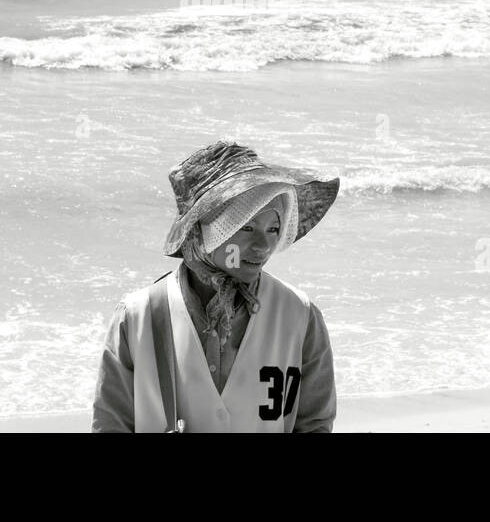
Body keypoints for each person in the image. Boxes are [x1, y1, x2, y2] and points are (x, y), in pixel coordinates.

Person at [92, 140, 340, 433]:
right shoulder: (136, 317)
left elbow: (314, 425)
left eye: (273, 228)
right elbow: (111, 425)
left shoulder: (301, 316)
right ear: (201, 229)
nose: (263, 246)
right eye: (246, 226)